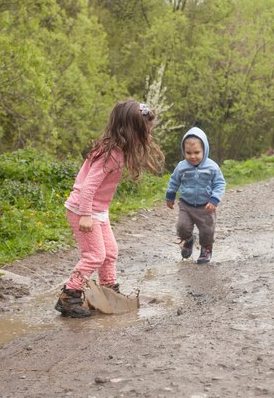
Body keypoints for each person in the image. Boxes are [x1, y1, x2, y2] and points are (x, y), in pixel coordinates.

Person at [55, 100, 164, 318]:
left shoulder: (118, 150)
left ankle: (108, 289)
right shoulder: (111, 153)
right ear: (131, 130)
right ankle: (69, 294)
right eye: (145, 131)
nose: (147, 136)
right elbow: (88, 186)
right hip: (83, 210)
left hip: (97, 211)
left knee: (110, 251)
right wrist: (86, 214)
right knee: (95, 255)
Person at [166, 127, 226, 264]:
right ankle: (188, 240)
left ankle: (206, 249)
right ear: (184, 151)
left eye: (197, 152)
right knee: (182, 227)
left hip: (206, 207)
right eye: (188, 153)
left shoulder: (212, 167)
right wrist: (170, 196)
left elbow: (220, 183)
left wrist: (214, 199)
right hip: (186, 205)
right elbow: (174, 180)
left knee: (207, 231)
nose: (192, 156)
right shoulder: (182, 167)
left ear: (205, 150)